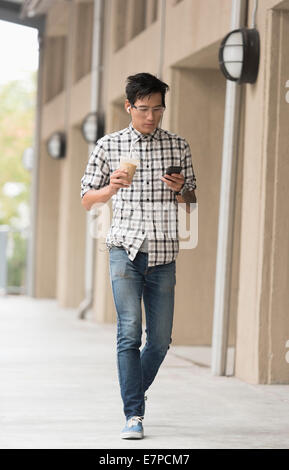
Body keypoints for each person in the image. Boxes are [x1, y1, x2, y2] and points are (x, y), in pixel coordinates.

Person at [80, 72, 197, 439]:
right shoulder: (108, 145)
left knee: (160, 340)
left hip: (163, 251)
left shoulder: (178, 146)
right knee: (128, 332)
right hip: (124, 250)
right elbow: (86, 199)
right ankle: (134, 414)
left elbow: (191, 203)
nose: (151, 116)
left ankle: (133, 391)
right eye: (143, 109)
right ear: (129, 107)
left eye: (157, 109)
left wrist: (181, 191)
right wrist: (109, 188)